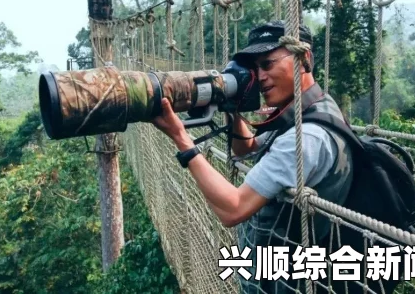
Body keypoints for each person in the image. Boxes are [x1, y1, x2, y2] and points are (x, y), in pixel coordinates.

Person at [151, 20, 355, 293]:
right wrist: (232, 109)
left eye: (268, 64)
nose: (259, 77)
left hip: (286, 282)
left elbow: (233, 208)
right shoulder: (311, 110)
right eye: (255, 68)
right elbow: (247, 147)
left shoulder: (307, 137)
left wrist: (182, 139)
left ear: (304, 59)